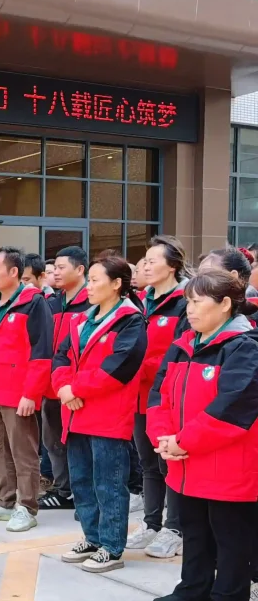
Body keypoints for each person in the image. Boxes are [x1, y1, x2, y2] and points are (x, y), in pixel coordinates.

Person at [148, 269, 258, 601]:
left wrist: (183, 441)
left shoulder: (244, 347)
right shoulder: (184, 344)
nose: (190, 309)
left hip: (227, 464)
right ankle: (194, 588)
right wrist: (164, 438)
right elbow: (158, 395)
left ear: (226, 304)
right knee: (194, 530)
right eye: (188, 302)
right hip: (184, 460)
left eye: (197, 302)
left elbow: (232, 408)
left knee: (230, 537)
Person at [55, 253, 148, 574]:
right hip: (76, 413)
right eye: (90, 280)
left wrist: (74, 389)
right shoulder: (81, 318)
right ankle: (92, 538)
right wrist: (63, 388)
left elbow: (118, 369)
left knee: (108, 484)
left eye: (95, 280)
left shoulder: (131, 320)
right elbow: (61, 357)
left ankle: (111, 546)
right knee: (82, 481)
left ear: (117, 284)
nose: (89, 286)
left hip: (108, 416)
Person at [0, 247, 54, 532]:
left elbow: (42, 353)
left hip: (18, 393)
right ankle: (4, 501)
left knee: (23, 453)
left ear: (14, 272)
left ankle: (27, 506)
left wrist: (31, 393)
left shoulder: (34, 303)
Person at [128, 236, 189, 556]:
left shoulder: (184, 302)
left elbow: (177, 353)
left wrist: (138, 368)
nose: (146, 266)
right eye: (145, 261)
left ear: (173, 266)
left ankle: (175, 527)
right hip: (140, 396)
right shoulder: (140, 300)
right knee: (147, 463)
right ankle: (151, 522)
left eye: (153, 260)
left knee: (170, 464)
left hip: (167, 397)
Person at [38, 246, 91, 512]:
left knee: (79, 443)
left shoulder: (92, 302)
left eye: (61, 268)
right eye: (54, 268)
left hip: (78, 388)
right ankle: (63, 489)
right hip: (52, 386)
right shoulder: (52, 302)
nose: (55, 273)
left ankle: (83, 494)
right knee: (53, 441)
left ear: (80, 269)